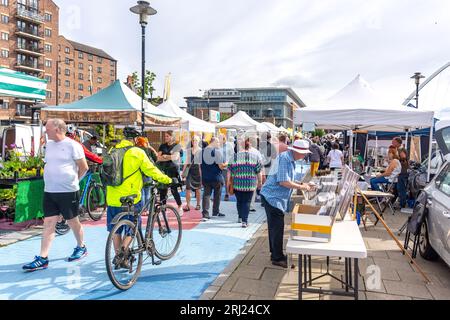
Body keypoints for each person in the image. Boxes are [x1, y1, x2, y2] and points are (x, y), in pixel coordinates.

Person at [22, 119, 89, 272]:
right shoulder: (49, 145)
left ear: (58, 129)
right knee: (49, 223)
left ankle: (81, 247)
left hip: (68, 191)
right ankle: (43, 258)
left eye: (48, 129)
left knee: (73, 221)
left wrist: (74, 181)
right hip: (50, 191)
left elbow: (84, 167)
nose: (45, 131)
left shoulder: (74, 145)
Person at [106, 127, 172, 268]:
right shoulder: (137, 152)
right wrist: (168, 180)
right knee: (133, 226)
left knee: (115, 229)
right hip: (130, 197)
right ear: (136, 139)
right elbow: (151, 170)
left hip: (111, 197)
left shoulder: (113, 150)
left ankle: (118, 257)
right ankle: (122, 256)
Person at [260, 140, 315, 269]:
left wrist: (302, 185)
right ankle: (277, 258)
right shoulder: (285, 159)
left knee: (274, 228)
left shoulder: (288, 159)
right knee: (277, 228)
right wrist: (303, 187)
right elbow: (284, 181)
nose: (304, 156)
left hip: (274, 197)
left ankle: (275, 253)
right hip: (273, 197)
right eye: (303, 153)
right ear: (297, 151)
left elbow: (287, 178)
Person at [228, 137, 263, 228]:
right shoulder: (254, 157)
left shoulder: (234, 157)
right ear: (249, 147)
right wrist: (260, 182)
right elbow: (259, 171)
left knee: (239, 201)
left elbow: (229, 170)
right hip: (250, 184)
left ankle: (240, 216)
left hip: (237, 183)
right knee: (247, 202)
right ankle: (245, 221)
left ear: (240, 146)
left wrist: (228, 181)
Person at [201, 137, 228, 221]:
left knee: (206, 195)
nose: (219, 144)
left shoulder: (202, 151)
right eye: (218, 143)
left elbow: (199, 165)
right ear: (213, 142)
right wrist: (227, 163)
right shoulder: (216, 152)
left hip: (205, 177)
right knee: (217, 195)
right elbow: (221, 166)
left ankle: (205, 214)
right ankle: (215, 212)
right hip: (216, 177)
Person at [157, 131, 183, 214]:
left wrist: (164, 156)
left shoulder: (177, 146)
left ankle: (180, 206)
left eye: (167, 136)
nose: (166, 138)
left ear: (172, 137)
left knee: (174, 190)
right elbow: (158, 158)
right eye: (165, 136)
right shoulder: (162, 146)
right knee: (162, 191)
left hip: (173, 171)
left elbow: (175, 157)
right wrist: (169, 157)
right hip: (164, 171)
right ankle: (162, 210)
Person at [135, 136, 158, 215]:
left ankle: (142, 209)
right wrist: (151, 147)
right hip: (147, 173)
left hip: (139, 173)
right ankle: (147, 210)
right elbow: (156, 158)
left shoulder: (136, 149)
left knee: (141, 192)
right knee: (147, 192)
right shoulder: (149, 149)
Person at [182, 135, 202, 212]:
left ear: (199, 141)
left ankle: (198, 204)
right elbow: (186, 162)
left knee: (198, 189)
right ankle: (188, 205)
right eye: (193, 140)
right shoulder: (188, 150)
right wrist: (183, 173)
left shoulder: (201, 151)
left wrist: (202, 174)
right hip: (189, 171)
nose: (194, 142)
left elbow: (202, 164)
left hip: (198, 171)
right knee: (188, 189)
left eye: (196, 140)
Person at [392, 137, 409, 208]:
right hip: (400, 172)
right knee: (396, 188)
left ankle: (402, 204)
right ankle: (392, 201)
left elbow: (403, 158)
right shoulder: (399, 149)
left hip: (402, 172)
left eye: (393, 142)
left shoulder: (401, 149)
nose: (392, 143)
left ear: (397, 142)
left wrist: (396, 157)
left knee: (401, 188)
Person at [219, 133, 234, 201]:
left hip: (227, 166)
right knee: (219, 181)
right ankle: (218, 194)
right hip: (219, 166)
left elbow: (232, 155)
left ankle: (227, 194)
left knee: (227, 181)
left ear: (224, 139)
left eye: (220, 138)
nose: (219, 140)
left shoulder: (229, 145)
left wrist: (228, 162)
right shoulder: (218, 145)